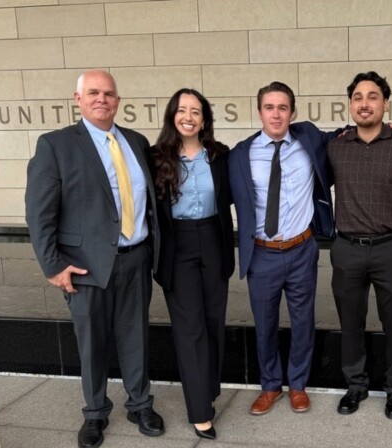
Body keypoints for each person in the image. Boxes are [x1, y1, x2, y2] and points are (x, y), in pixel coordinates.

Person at [25, 70, 164, 448]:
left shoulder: (135, 142)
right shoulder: (55, 145)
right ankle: (95, 413)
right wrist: (53, 266)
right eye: (94, 93)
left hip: (136, 258)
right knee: (91, 343)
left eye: (109, 93)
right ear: (78, 98)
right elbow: (40, 213)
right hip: (85, 265)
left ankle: (140, 404)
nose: (102, 99)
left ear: (118, 100)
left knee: (136, 336)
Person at [229, 81, 340, 416]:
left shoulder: (309, 140)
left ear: (293, 112)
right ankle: (269, 386)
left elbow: (346, 134)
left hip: (301, 248)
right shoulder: (241, 154)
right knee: (264, 324)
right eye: (269, 107)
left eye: (282, 108)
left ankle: (298, 385)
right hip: (262, 252)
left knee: (303, 320)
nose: (276, 114)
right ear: (259, 110)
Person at [329, 71, 392, 420]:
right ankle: (356, 385)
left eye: (372, 97)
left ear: (386, 104)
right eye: (357, 98)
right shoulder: (336, 145)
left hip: (391, 248)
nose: (364, 104)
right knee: (350, 322)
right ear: (350, 104)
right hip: (347, 247)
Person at [151, 88, 234, 440]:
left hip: (213, 241)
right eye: (182, 110)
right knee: (191, 329)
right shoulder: (155, 157)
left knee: (214, 322)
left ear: (205, 119)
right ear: (173, 115)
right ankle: (200, 411)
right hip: (177, 245)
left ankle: (207, 391)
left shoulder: (219, 155)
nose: (189, 116)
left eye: (196, 111)